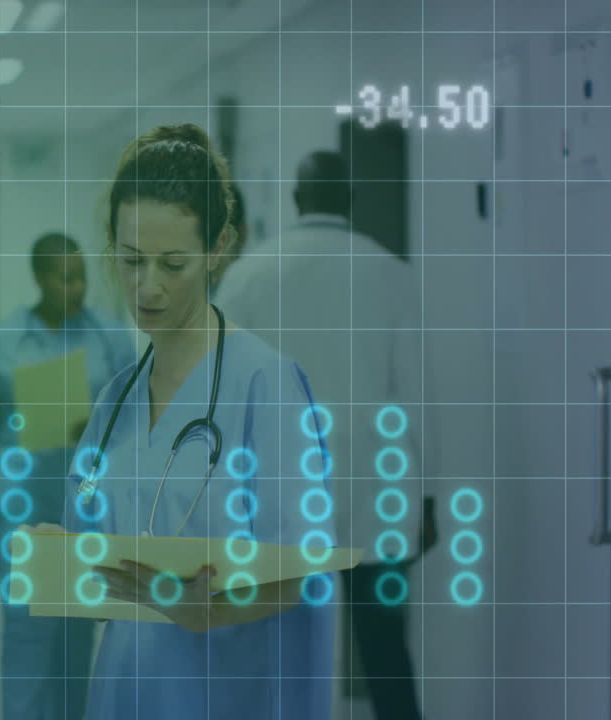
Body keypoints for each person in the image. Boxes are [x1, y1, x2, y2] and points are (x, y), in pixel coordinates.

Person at [62, 124, 336, 719]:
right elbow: (87, 544)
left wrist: (214, 608)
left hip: (226, 693)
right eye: (131, 261)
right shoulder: (116, 401)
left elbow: (305, 567)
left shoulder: (266, 386)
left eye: (173, 264)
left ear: (219, 247)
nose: (147, 286)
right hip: (128, 690)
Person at [214, 150, 425, 719]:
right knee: (384, 648)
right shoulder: (390, 272)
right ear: (349, 199)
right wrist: (425, 496)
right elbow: (415, 394)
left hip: (282, 484)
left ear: (296, 200)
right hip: (376, 489)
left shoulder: (250, 274)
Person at [0, 232, 135, 720]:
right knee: (29, 624)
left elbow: (137, 419)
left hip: (85, 505)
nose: (76, 288)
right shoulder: (4, 341)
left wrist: (95, 425)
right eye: (64, 278)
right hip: (20, 506)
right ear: (38, 277)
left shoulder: (110, 337)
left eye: (81, 277)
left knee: (77, 625)